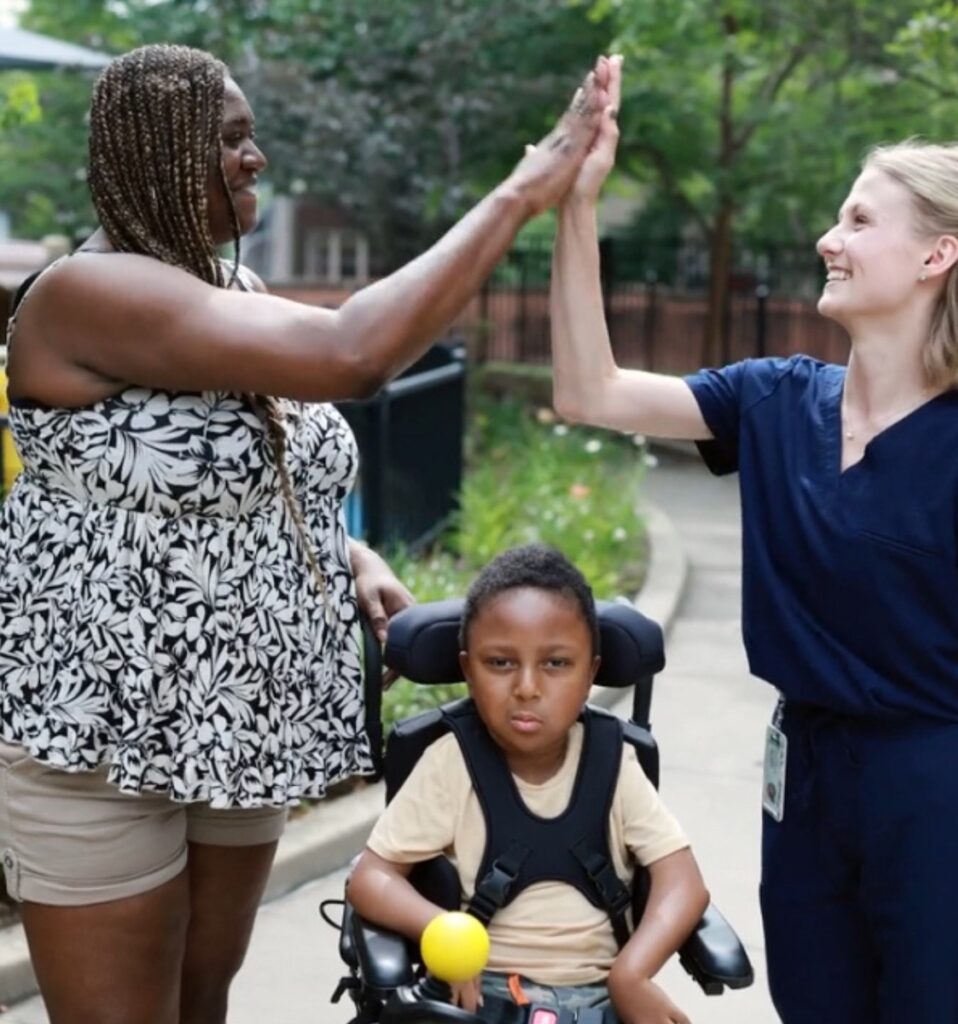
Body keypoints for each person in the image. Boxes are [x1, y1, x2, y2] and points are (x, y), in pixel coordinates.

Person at [0, 43, 610, 1024]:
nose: (258, 160)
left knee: (202, 1003)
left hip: (236, 730)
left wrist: (345, 553)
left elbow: (250, 476)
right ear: (161, 154)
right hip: (100, 738)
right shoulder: (86, 295)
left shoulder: (228, 296)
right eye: (233, 140)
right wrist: (522, 192)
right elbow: (354, 353)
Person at [548, 55, 958, 1023]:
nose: (826, 239)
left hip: (929, 793)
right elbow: (586, 391)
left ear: (935, 256)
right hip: (799, 778)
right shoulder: (770, 400)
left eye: (856, 220)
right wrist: (576, 202)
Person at [346, 544, 708, 1024]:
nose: (527, 687)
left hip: (601, 997)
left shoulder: (612, 762)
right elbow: (370, 877)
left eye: (556, 664)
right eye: (500, 663)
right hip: (478, 995)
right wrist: (440, 930)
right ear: (468, 670)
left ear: (591, 674)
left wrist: (632, 975)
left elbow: (682, 880)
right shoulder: (451, 765)